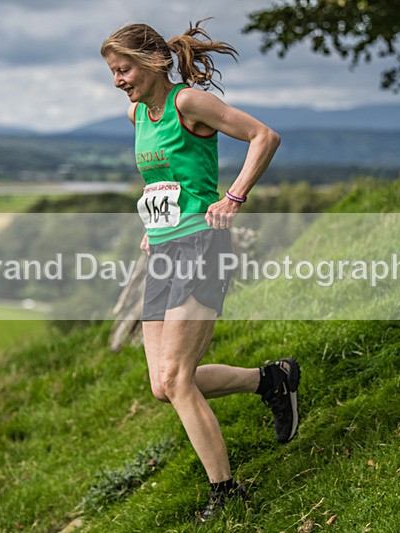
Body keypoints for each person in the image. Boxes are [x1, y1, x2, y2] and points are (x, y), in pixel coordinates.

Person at [101, 19, 300, 524]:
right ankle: (272, 381)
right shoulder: (136, 116)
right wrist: (152, 221)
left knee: (177, 377)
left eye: (123, 69)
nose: (118, 80)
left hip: (202, 245)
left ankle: (226, 492)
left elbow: (264, 136)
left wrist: (233, 196)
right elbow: (166, 178)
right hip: (163, 251)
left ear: (152, 60)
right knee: (163, 385)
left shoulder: (188, 103)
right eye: (113, 72)